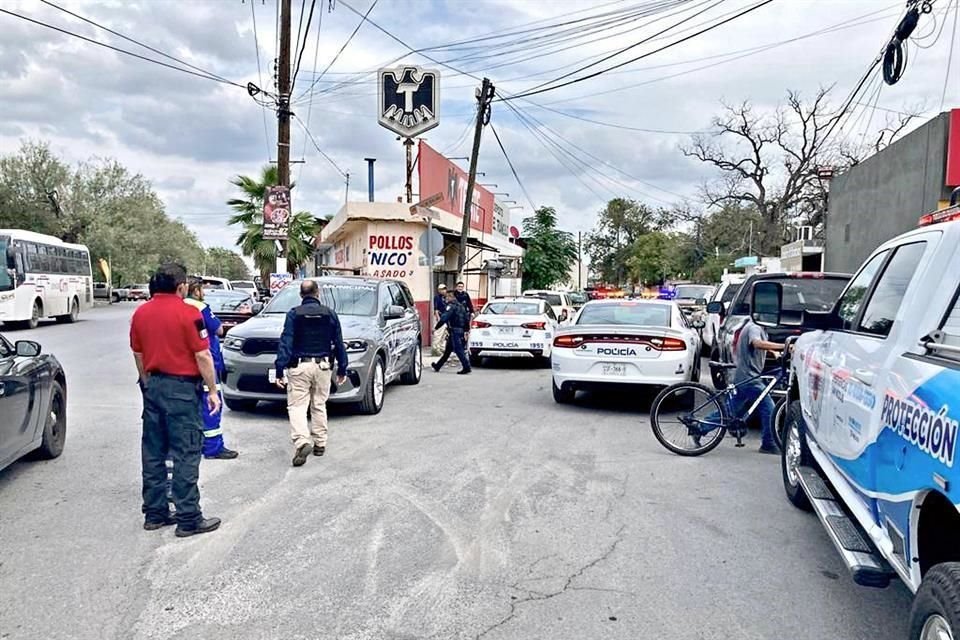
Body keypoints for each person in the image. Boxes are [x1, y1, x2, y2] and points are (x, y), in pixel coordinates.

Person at [130, 263, 221, 537]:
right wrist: (212, 390)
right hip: (181, 389)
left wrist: (147, 383)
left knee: (153, 451)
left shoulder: (140, 313)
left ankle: (155, 513)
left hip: (153, 385)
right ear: (181, 286)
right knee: (186, 451)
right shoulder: (189, 313)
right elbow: (202, 355)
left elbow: (138, 353)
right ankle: (188, 518)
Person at [275, 280, 348, 467]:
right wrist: (342, 368)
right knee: (319, 404)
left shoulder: (293, 314)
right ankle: (320, 444)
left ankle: (302, 441)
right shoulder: (330, 314)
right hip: (323, 366)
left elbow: (286, 342)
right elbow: (339, 343)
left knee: (297, 407)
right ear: (318, 293)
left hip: (299, 367)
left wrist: (279, 369)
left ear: (301, 295)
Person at [184, 278, 239, 460]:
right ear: (196, 291)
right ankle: (213, 448)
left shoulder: (179, 306)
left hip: (186, 366)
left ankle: (192, 444)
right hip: (207, 363)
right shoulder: (201, 307)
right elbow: (219, 329)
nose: (204, 293)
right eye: (202, 289)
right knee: (212, 405)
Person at [734, 317, 787, 455]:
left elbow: (760, 345)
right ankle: (768, 444)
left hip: (745, 376)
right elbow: (757, 343)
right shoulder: (754, 327)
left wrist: (774, 352)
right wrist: (784, 346)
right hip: (749, 378)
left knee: (730, 410)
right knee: (769, 409)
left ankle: (699, 428)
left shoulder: (757, 327)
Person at [431, 290, 471, 374]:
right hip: (460, 331)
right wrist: (466, 331)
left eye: (446, 297)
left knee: (458, 350)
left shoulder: (451, 306)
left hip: (454, 331)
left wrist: (435, 328)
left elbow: (444, 318)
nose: (445, 299)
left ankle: (466, 366)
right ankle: (438, 366)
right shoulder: (461, 306)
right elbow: (466, 319)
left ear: (450, 297)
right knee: (448, 351)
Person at [432, 283, 450, 358]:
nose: (443, 290)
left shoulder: (446, 297)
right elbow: (436, 309)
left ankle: (441, 348)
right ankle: (435, 349)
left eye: (444, 289)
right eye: (441, 289)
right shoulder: (437, 298)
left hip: (445, 318)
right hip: (440, 317)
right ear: (439, 290)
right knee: (438, 334)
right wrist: (438, 318)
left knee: (444, 334)